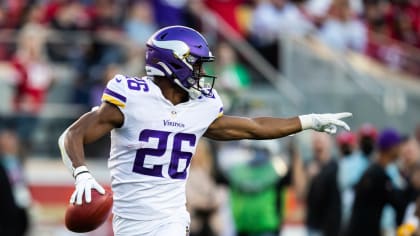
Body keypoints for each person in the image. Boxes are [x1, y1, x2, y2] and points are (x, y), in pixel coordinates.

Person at [58, 25, 352, 236]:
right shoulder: (131, 98)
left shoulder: (201, 107)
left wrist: (308, 121)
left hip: (172, 220)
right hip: (131, 222)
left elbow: (253, 128)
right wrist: (81, 172)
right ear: (174, 63)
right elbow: (71, 135)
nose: (202, 73)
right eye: (196, 65)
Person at [346, 128, 408, 236]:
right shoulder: (377, 175)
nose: (401, 149)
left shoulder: (374, 171)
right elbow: (399, 202)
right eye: (398, 146)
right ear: (392, 148)